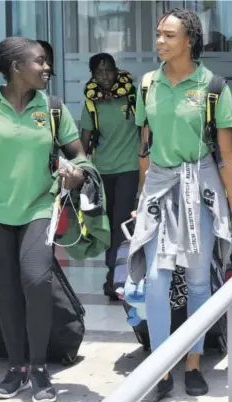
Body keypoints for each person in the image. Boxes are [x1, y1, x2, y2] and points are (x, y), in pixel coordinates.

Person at [0, 37, 86, 402]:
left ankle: (40, 368)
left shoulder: (53, 108)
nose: (47, 68)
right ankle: (17, 368)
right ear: (16, 67)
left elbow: (79, 155)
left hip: (40, 208)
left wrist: (77, 173)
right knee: (8, 291)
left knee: (36, 280)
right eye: (40, 62)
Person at [127, 8, 232, 402]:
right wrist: (140, 199)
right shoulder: (147, 84)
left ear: (190, 40)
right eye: (158, 34)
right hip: (160, 188)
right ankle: (160, 369)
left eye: (169, 35)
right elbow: (145, 147)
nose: (159, 41)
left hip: (199, 185)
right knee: (157, 283)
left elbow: (228, 157)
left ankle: (193, 363)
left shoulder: (213, 86)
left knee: (197, 282)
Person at [80, 53, 140, 300]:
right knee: (106, 225)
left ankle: (115, 277)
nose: (105, 76)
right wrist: (82, 171)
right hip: (103, 170)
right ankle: (114, 272)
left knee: (121, 222)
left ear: (117, 70)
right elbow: (84, 140)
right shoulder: (92, 103)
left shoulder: (133, 96)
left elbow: (145, 130)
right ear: (93, 75)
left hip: (129, 167)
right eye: (99, 72)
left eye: (108, 70)